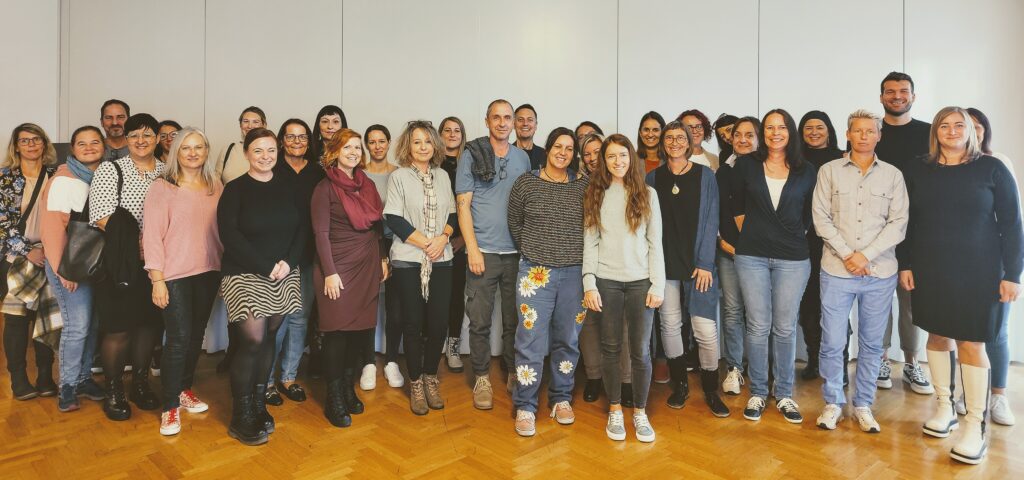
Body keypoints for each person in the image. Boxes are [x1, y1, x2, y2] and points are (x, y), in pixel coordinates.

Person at [897, 107, 1023, 465]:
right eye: (944, 126)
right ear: (935, 132)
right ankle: (944, 408)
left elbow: (1013, 225)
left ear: (972, 131)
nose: (951, 131)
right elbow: (908, 221)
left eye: (959, 125)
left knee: (971, 342)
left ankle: (974, 425)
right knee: (937, 336)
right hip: (931, 267)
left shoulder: (992, 167)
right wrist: (905, 263)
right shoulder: (918, 168)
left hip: (981, 270)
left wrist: (1013, 274)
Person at [812, 110, 908, 434]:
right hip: (836, 271)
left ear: (879, 136)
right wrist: (848, 255)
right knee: (833, 340)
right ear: (848, 135)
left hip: (879, 273)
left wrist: (864, 256)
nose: (865, 135)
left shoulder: (893, 175)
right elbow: (821, 218)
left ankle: (863, 404)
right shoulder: (829, 171)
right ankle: (833, 402)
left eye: (871, 131)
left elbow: (898, 224)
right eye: (858, 130)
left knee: (871, 343)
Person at [217, 127, 305, 445]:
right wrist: (265, 266)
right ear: (246, 154)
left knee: (269, 337)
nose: (265, 156)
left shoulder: (289, 186)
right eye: (258, 151)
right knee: (252, 341)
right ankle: (240, 415)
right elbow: (229, 235)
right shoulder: (236, 190)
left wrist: (288, 262)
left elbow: (302, 230)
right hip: (244, 273)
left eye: (271, 150)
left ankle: (257, 403)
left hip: (283, 273)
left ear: (277, 152)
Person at [731, 109, 816, 424]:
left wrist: (787, 234)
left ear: (790, 132)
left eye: (781, 127)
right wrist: (754, 233)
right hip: (751, 255)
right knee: (757, 325)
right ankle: (757, 391)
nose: (775, 132)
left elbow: (810, 214)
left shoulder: (806, 170)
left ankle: (784, 394)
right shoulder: (747, 165)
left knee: (784, 326)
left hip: (793, 258)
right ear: (762, 133)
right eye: (769, 127)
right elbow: (736, 204)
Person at [583, 134, 664, 443]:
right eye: (611, 156)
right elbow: (590, 241)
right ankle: (615, 409)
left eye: (623, 155)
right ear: (604, 161)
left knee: (641, 351)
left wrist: (657, 282)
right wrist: (589, 282)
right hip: (607, 281)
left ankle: (639, 412)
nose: (618, 161)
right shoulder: (595, 193)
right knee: (611, 347)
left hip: (641, 281)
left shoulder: (647, 193)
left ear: (632, 158)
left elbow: (655, 242)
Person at [143, 127, 223, 436]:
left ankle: (183, 390)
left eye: (198, 147)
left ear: (206, 150)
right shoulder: (162, 187)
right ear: (176, 152)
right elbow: (151, 236)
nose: (192, 152)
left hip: (208, 271)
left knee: (195, 336)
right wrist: (157, 279)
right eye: (186, 147)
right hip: (173, 275)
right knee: (177, 339)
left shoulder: (215, 184)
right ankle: (169, 408)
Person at [508, 127, 588, 435]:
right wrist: (533, 250)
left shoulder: (584, 185)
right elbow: (515, 223)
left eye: (569, 149)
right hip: (535, 274)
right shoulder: (526, 183)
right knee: (529, 341)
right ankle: (526, 405)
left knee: (567, 339)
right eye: (559, 146)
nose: (563, 153)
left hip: (574, 275)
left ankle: (561, 398)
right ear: (548, 149)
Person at [645, 121, 727, 417]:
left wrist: (705, 263)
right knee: (669, 324)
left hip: (698, 266)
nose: (675, 142)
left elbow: (711, 220)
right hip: (665, 264)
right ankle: (680, 385)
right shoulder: (652, 178)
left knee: (704, 329)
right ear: (663, 143)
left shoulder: (705, 176)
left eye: (681, 137)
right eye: (670, 138)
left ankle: (710, 389)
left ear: (691, 141)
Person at [89, 113, 166, 420]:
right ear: (126, 139)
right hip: (121, 263)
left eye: (147, 135)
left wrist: (155, 250)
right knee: (118, 329)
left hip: (156, 267)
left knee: (149, 325)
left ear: (157, 139)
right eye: (134, 135)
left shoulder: (166, 171)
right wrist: (140, 244)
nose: (141, 140)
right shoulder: (112, 169)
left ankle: (141, 385)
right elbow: (101, 214)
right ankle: (114, 391)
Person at [455, 99, 531, 409]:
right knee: (480, 321)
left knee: (515, 321)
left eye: (507, 118)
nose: (502, 123)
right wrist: (472, 248)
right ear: (487, 121)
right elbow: (463, 205)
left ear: (514, 122)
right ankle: (482, 377)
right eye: (496, 117)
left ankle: (513, 370)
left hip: (516, 253)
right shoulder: (471, 154)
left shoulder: (523, 158)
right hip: (482, 252)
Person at [312, 128, 386, 427]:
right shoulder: (324, 188)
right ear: (335, 152)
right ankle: (333, 397)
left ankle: (346, 387)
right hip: (337, 268)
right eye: (347, 148)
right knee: (337, 333)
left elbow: (377, 227)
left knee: (359, 332)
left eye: (357, 147)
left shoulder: (366, 184)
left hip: (367, 263)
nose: (354, 152)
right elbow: (321, 234)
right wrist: (329, 272)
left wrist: (383, 258)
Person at [384, 121, 455, 415]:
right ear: (407, 146)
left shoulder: (442, 177)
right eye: (417, 142)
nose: (423, 146)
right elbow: (393, 218)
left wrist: (443, 238)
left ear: (435, 145)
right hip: (408, 260)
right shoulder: (398, 177)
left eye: (428, 141)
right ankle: (415, 382)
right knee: (412, 324)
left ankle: (430, 376)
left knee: (438, 323)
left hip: (442, 259)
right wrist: (427, 243)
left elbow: (453, 213)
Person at [39, 125, 107, 411]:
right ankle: (67, 386)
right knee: (77, 326)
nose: (89, 147)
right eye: (82, 143)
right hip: (68, 267)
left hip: (93, 265)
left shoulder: (102, 176)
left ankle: (82, 378)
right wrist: (62, 271)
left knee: (93, 325)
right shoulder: (63, 180)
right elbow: (52, 229)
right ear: (72, 148)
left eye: (95, 142)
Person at [874, 72, 933, 394]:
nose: (897, 96)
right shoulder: (872, 133)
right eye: (890, 92)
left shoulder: (929, 133)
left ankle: (912, 363)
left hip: (917, 231)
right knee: (879, 301)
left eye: (903, 91)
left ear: (913, 96)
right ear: (881, 97)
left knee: (911, 301)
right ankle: (882, 359)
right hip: (875, 233)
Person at [960, 107, 1016, 425]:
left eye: (977, 126)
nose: (972, 131)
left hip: (993, 263)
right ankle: (968, 395)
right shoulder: (948, 166)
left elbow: (1012, 220)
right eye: (967, 126)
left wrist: (1012, 272)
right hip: (959, 262)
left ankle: (998, 397)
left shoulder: (999, 164)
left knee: (996, 332)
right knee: (962, 332)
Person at [264, 119, 323, 406]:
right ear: (281, 140)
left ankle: (288, 377)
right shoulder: (270, 170)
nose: (297, 141)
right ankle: (265, 382)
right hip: (278, 257)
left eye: (303, 137)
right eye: (291, 136)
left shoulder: (318, 172)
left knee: (300, 318)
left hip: (309, 254)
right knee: (276, 321)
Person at [1, 123, 59, 401]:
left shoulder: (57, 175)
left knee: (47, 317)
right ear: (16, 147)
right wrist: (27, 250)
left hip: (50, 254)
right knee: (16, 320)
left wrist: (52, 249)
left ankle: (46, 376)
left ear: (45, 144)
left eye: (37, 139)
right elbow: (3, 222)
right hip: (17, 258)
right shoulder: (5, 178)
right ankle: (19, 379)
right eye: (25, 141)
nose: (32, 145)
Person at [797, 111, 845, 381]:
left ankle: (838, 362)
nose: (814, 132)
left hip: (836, 241)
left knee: (836, 304)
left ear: (829, 130)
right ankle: (814, 359)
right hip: (803, 241)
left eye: (820, 127)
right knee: (809, 303)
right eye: (808, 128)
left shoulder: (842, 158)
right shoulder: (796, 161)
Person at [717, 116, 759, 395]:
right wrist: (722, 241)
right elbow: (717, 212)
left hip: (761, 256)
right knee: (732, 312)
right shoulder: (723, 171)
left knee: (759, 315)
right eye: (737, 135)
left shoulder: (771, 169)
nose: (742, 139)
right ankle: (734, 368)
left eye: (749, 135)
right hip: (728, 252)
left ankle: (759, 369)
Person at [362, 123, 404, 390]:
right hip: (367, 243)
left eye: (381, 141)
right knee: (367, 303)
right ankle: (367, 362)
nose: (377, 146)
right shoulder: (360, 175)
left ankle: (391, 361)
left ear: (389, 143)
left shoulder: (400, 175)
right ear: (367, 145)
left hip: (397, 243)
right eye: (372, 142)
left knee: (396, 306)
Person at [439, 116, 468, 373]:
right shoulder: (432, 165)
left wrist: (462, 238)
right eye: (447, 130)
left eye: (456, 130)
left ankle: (454, 346)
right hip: (432, 242)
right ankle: (432, 343)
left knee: (456, 296)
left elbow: (474, 205)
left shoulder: (468, 165)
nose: (451, 134)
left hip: (460, 243)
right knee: (432, 296)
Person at [218, 106, 266, 183]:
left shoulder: (272, 153)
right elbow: (216, 183)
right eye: (246, 121)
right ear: (240, 125)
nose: (250, 126)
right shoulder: (228, 150)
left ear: (264, 125)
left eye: (255, 122)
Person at [514, 104, 546, 170]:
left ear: (536, 125)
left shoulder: (545, 156)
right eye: (520, 119)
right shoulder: (505, 154)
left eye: (530, 120)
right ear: (514, 124)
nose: (525, 123)